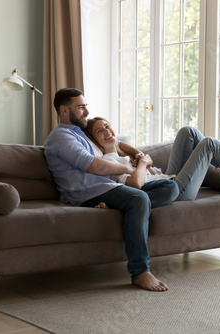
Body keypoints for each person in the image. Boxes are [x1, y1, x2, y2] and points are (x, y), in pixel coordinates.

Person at [44, 88, 174, 292]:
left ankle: (126, 211)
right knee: (139, 199)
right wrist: (129, 168)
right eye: (80, 107)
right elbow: (93, 165)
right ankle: (140, 271)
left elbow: (116, 141)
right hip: (87, 194)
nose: (86, 111)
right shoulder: (60, 137)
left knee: (169, 187)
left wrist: (137, 154)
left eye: (86, 106)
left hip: (107, 188)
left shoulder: (80, 133)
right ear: (64, 110)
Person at [86, 118, 220, 202]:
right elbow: (135, 185)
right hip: (175, 191)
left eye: (107, 126)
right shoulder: (108, 161)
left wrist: (137, 156)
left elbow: (130, 152)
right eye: (99, 131)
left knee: (188, 132)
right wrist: (141, 163)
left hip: (168, 177)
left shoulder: (121, 153)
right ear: (94, 140)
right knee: (209, 144)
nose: (106, 131)